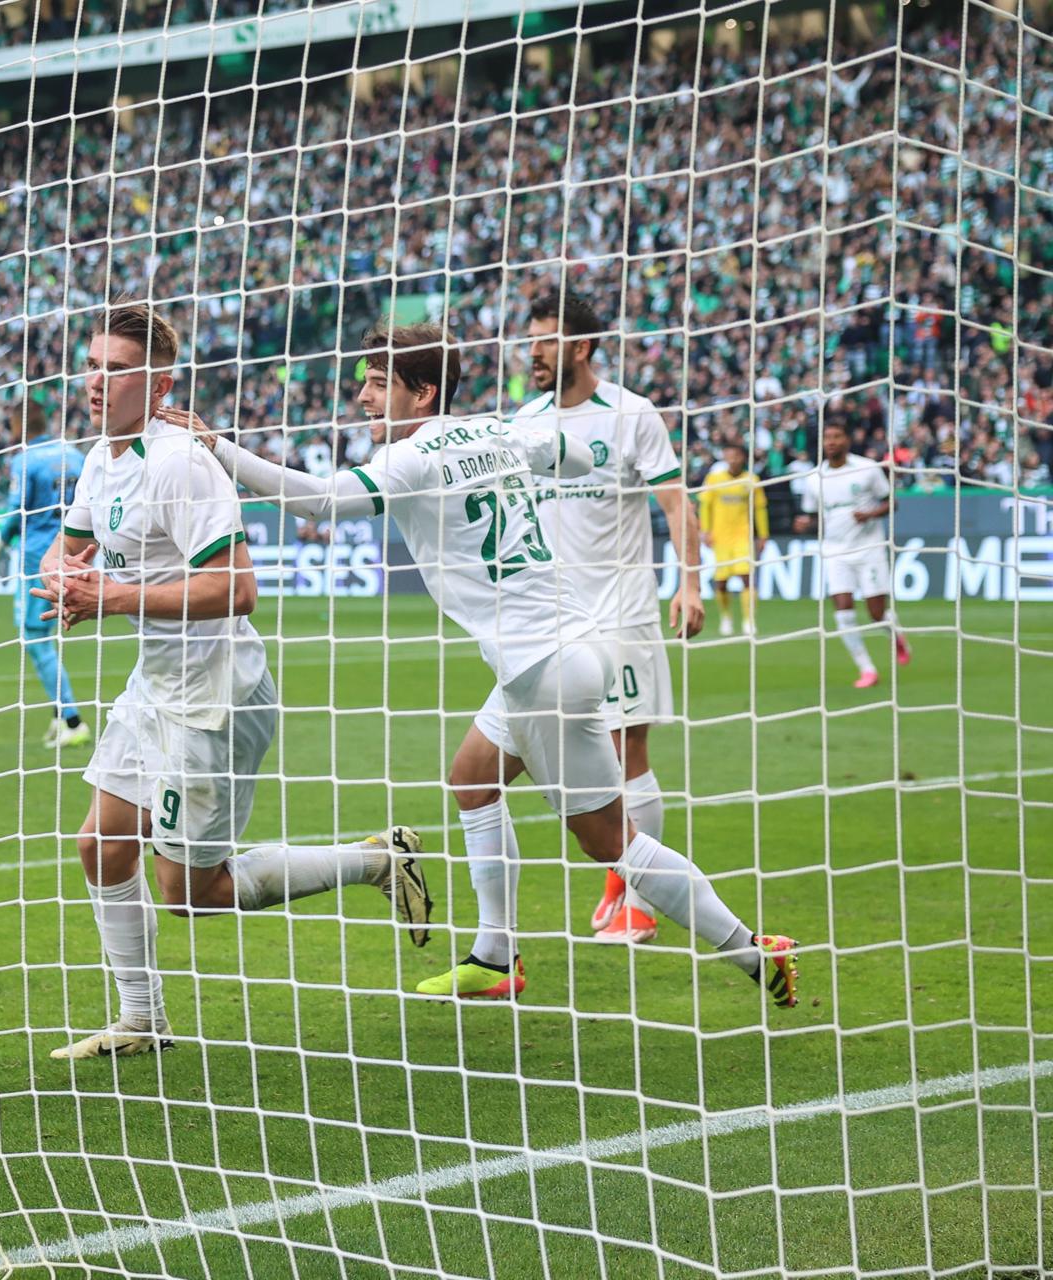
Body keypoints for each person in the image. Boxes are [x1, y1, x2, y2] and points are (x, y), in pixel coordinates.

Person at [180, 322, 801, 1009]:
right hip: (555, 655)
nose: (361, 398)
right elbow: (576, 453)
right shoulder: (498, 429)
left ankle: (752, 948)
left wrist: (220, 448)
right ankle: (494, 954)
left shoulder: (412, 459)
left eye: (379, 385)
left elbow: (324, 500)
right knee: (473, 778)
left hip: (545, 670)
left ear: (424, 394)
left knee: (611, 844)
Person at [35, 303, 430, 1061]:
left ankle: (379, 859)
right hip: (156, 686)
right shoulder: (99, 458)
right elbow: (68, 550)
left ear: (158, 384)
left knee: (191, 893)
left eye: (115, 369)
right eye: (92, 364)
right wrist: (63, 579)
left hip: (215, 695)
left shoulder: (179, 461)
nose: (95, 381)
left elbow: (237, 588)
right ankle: (142, 1017)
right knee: (101, 846)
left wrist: (108, 598)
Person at [500, 290, 706, 947]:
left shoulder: (632, 414)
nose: (531, 351)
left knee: (626, 750)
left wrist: (690, 583)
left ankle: (638, 903)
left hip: (621, 609)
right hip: (550, 620)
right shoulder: (524, 422)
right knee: (553, 760)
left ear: (582, 347)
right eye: (528, 339)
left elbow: (675, 503)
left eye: (545, 339)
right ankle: (622, 879)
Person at [0, 393, 92, 748]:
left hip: (38, 558)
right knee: (46, 636)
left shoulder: (25, 461)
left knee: (35, 638)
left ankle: (72, 719)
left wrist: (0, 546)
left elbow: (16, 514)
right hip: (73, 553)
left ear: (17, 426)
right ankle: (57, 715)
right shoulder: (75, 455)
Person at [795, 421, 911, 688]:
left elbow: (891, 502)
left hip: (869, 548)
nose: (832, 442)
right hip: (834, 551)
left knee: (876, 613)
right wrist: (805, 524)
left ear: (847, 440)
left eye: (837, 436)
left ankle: (896, 636)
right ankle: (867, 668)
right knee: (843, 610)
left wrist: (870, 514)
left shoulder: (867, 469)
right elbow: (815, 517)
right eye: (828, 438)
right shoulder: (813, 478)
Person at [699, 441, 769, 637]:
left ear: (743, 457)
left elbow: (760, 508)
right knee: (721, 581)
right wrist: (705, 530)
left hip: (742, 537)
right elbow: (705, 506)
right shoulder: (714, 479)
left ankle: (749, 620)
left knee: (747, 578)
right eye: (729, 455)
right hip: (720, 537)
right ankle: (726, 617)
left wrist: (763, 534)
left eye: (736, 455)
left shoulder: (751, 480)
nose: (732, 459)